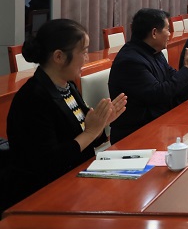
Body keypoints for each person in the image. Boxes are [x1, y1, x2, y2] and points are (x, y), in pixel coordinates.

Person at [1, 19, 127, 212]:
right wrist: (91, 132)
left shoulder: (67, 86)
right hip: (41, 195)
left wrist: (101, 124)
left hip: (75, 180)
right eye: (83, 52)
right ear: (59, 56)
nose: (87, 58)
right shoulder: (33, 98)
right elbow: (49, 163)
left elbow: (82, 137)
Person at [108, 9, 188, 143]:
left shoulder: (155, 52)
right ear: (154, 33)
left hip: (159, 121)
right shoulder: (130, 61)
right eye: (167, 29)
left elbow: (173, 80)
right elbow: (159, 94)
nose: (170, 34)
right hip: (135, 133)